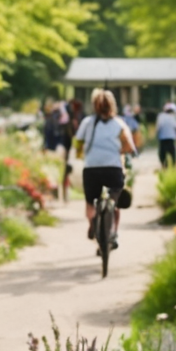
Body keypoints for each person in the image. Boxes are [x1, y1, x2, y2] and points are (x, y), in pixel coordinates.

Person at [75, 88, 138, 247]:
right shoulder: (119, 123)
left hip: (91, 168)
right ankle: (113, 233)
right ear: (112, 105)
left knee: (90, 202)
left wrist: (79, 154)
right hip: (113, 168)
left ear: (94, 105)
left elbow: (78, 142)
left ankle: (93, 221)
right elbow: (130, 147)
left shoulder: (87, 122)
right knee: (114, 200)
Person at [155, 102, 176, 168]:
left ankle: (164, 165)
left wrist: (156, 135)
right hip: (171, 138)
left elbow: (158, 127)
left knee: (162, 154)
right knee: (173, 154)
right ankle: (173, 166)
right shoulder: (173, 117)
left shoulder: (160, 116)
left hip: (162, 138)